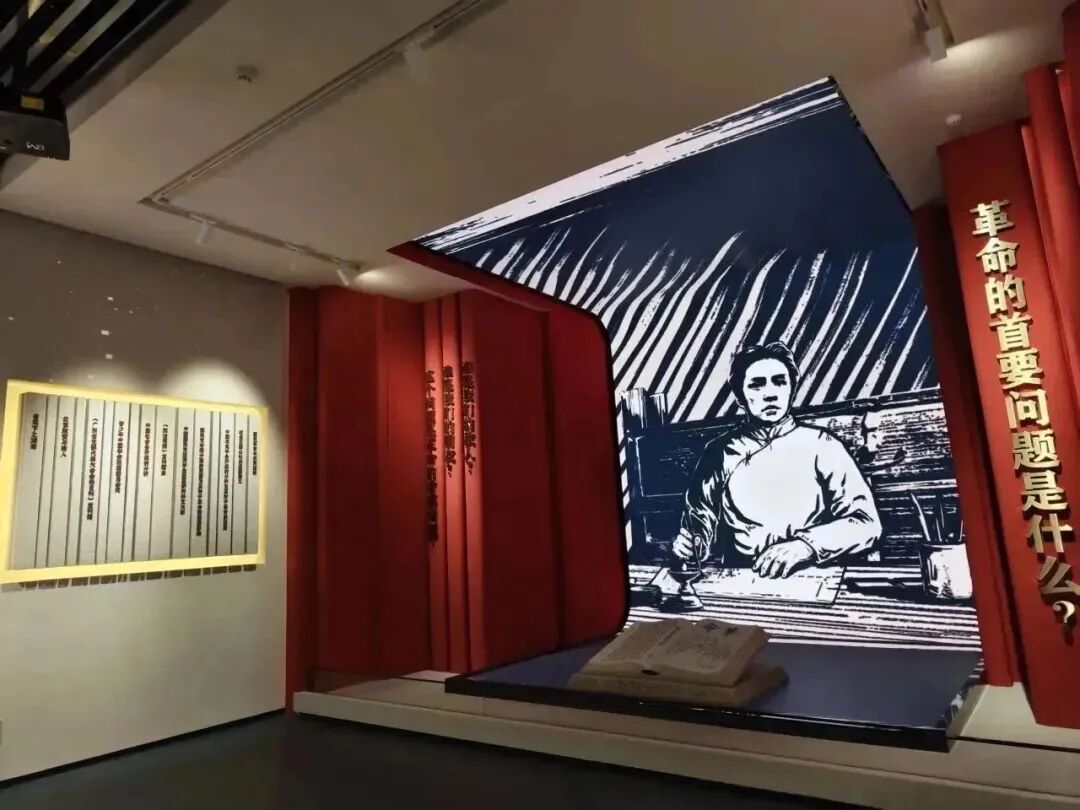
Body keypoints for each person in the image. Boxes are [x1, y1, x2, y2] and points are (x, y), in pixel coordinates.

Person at [673, 342, 881, 579]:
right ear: (740, 397)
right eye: (757, 385)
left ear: (791, 388)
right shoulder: (718, 452)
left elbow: (867, 524)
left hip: (813, 577)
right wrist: (693, 544)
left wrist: (805, 546)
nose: (770, 394)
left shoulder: (823, 445)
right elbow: (699, 518)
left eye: (779, 382)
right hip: (741, 577)